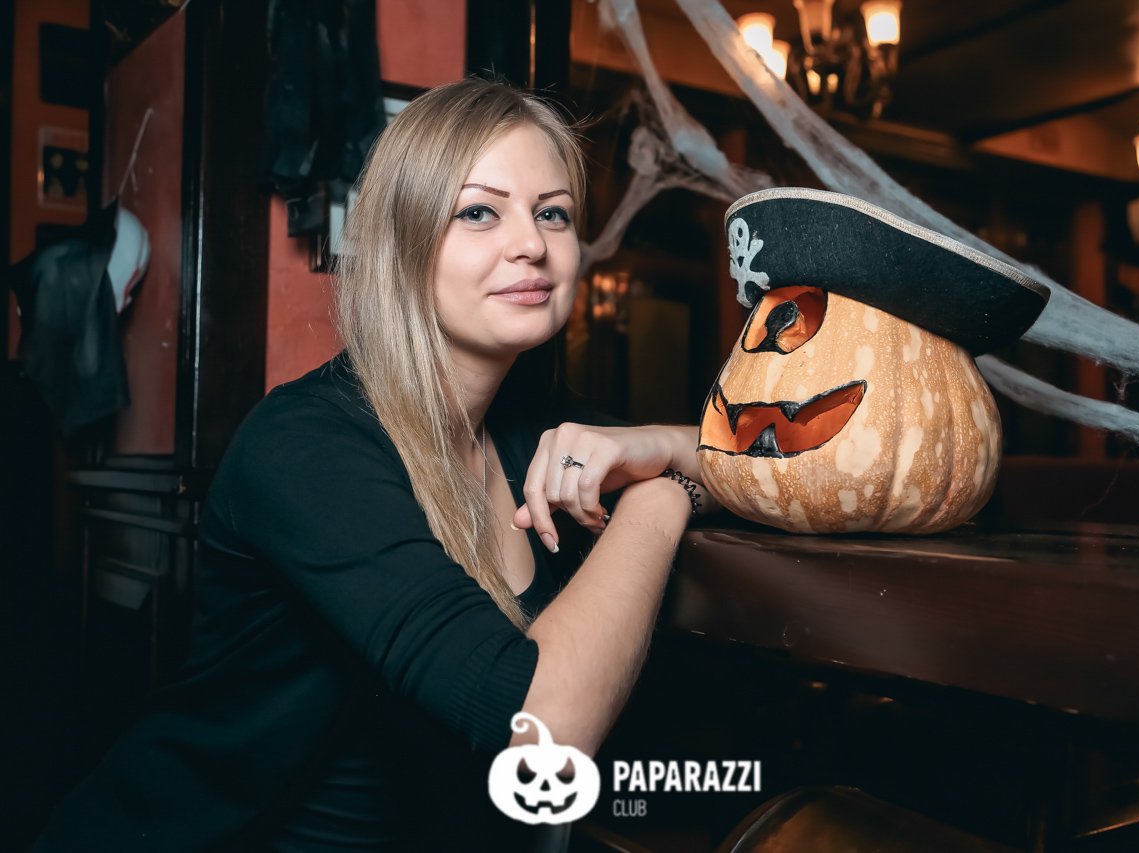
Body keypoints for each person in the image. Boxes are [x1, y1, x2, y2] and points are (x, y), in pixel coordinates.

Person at [34, 78, 717, 851]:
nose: (531, 243)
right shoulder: (306, 446)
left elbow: (768, 458)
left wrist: (660, 444)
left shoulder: (532, 424)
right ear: (404, 242)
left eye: (552, 212)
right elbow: (544, 732)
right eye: (479, 211)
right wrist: (661, 499)